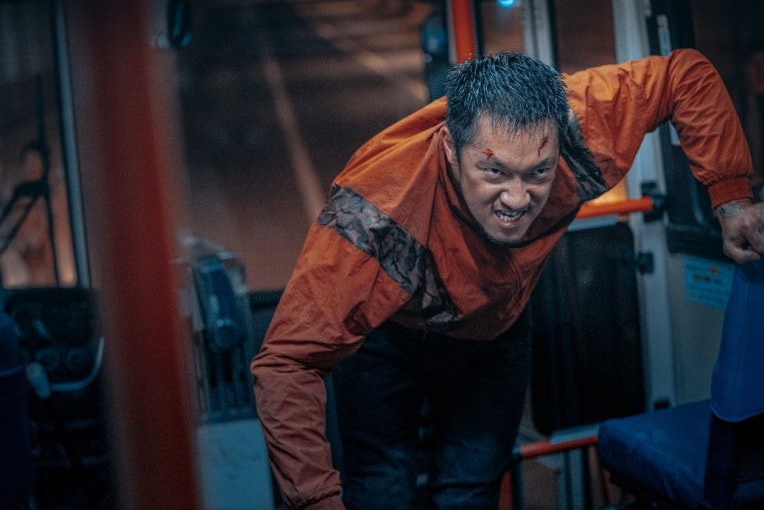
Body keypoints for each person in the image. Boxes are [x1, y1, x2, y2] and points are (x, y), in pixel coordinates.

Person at [251, 49, 764, 510]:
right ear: (450, 148)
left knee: (472, 488)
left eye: (538, 172)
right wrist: (315, 500)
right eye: (494, 173)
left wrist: (732, 201)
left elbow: (683, 75)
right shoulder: (374, 217)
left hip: (495, 331)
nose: (518, 200)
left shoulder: (580, 125)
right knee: (381, 486)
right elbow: (286, 361)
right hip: (388, 339)